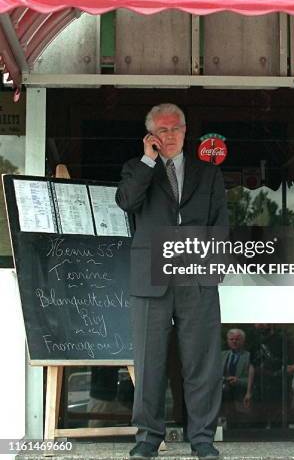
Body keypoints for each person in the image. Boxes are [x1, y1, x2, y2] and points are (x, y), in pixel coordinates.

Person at [115, 103, 228, 460]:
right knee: (150, 362)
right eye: (162, 130)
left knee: (202, 361)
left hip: (197, 277)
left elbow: (220, 221)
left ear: (185, 129)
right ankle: (148, 438)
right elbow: (126, 202)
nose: (171, 135)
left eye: (176, 128)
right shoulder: (137, 168)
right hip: (151, 276)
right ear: (151, 136)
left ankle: (203, 439)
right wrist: (149, 161)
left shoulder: (208, 173)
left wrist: (215, 268)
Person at [221, 328, 251, 427]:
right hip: (223, 400)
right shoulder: (222, 355)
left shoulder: (249, 357)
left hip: (241, 398)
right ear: (228, 340)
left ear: (243, 341)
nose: (234, 341)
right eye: (231, 339)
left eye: (237, 339)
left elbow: (254, 381)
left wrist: (238, 381)